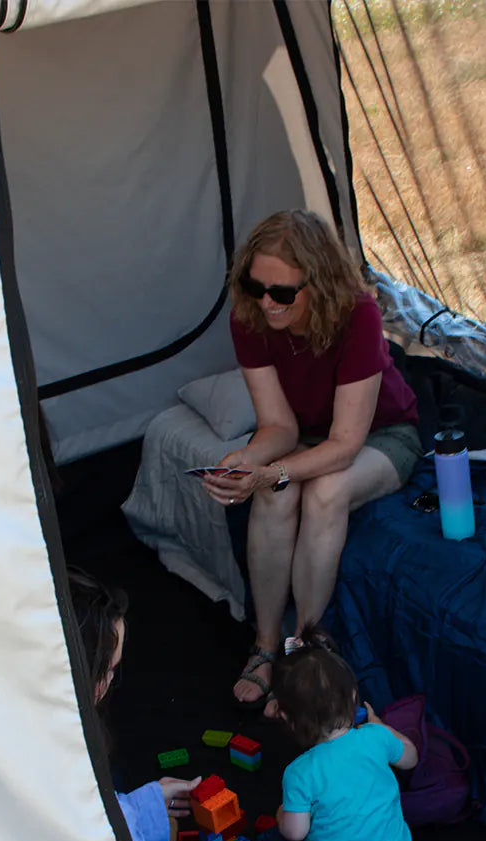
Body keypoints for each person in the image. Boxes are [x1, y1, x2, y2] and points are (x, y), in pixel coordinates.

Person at [201, 210, 421, 713]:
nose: (266, 302)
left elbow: (345, 444)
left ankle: (301, 654)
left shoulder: (357, 315)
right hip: (314, 437)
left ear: (317, 284)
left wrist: (275, 469)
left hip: (382, 435)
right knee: (273, 492)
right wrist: (247, 459)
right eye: (256, 286)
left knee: (324, 491)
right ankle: (264, 644)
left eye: (282, 293)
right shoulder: (250, 318)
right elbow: (280, 426)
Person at [67, 569, 309, 841]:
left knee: (119, 777)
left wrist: (141, 806)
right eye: (110, 672)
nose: (110, 686)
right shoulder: (69, 781)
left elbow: (106, 816)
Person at [256, 627, 418, 841]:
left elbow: (295, 833)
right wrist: (382, 727)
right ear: (354, 695)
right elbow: (411, 757)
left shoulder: (300, 772)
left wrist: (283, 812)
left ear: (287, 718)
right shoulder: (376, 737)